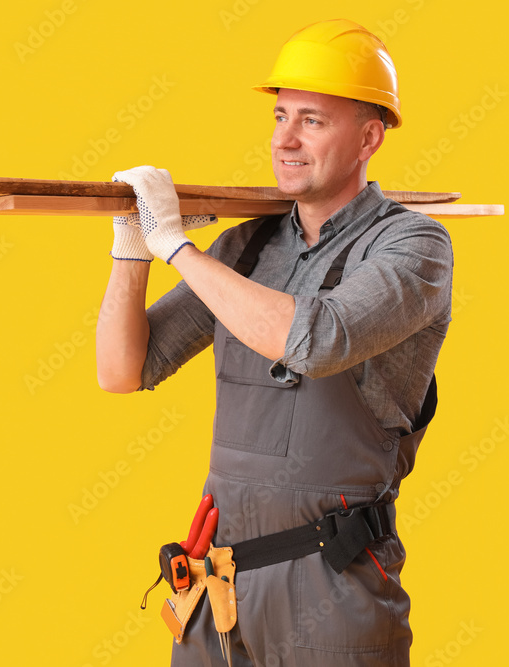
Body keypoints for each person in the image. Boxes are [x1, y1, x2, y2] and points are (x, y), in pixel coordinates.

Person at [95, 19, 453, 667]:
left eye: (312, 120)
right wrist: (133, 247)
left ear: (370, 136)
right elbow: (123, 368)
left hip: (331, 585)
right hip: (218, 586)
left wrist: (176, 246)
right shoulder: (247, 246)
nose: (284, 139)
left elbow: (313, 340)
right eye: (281, 115)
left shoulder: (413, 247)